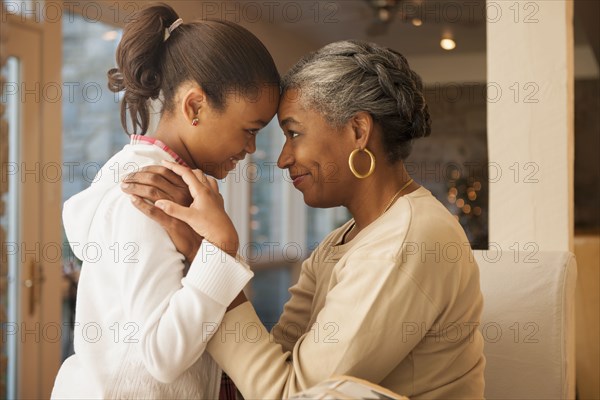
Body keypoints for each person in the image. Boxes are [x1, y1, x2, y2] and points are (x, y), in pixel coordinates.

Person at [123, 40, 485, 399]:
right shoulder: (340, 243)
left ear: (357, 131)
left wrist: (210, 254)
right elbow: (273, 364)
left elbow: (292, 394)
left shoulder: (407, 240)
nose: (282, 158)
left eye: (294, 133)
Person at [51, 3, 279, 399]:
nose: (252, 148)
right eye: (249, 129)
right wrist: (222, 249)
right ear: (195, 105)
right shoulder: (146, 196)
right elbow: (163, 354)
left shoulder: (180, 188)